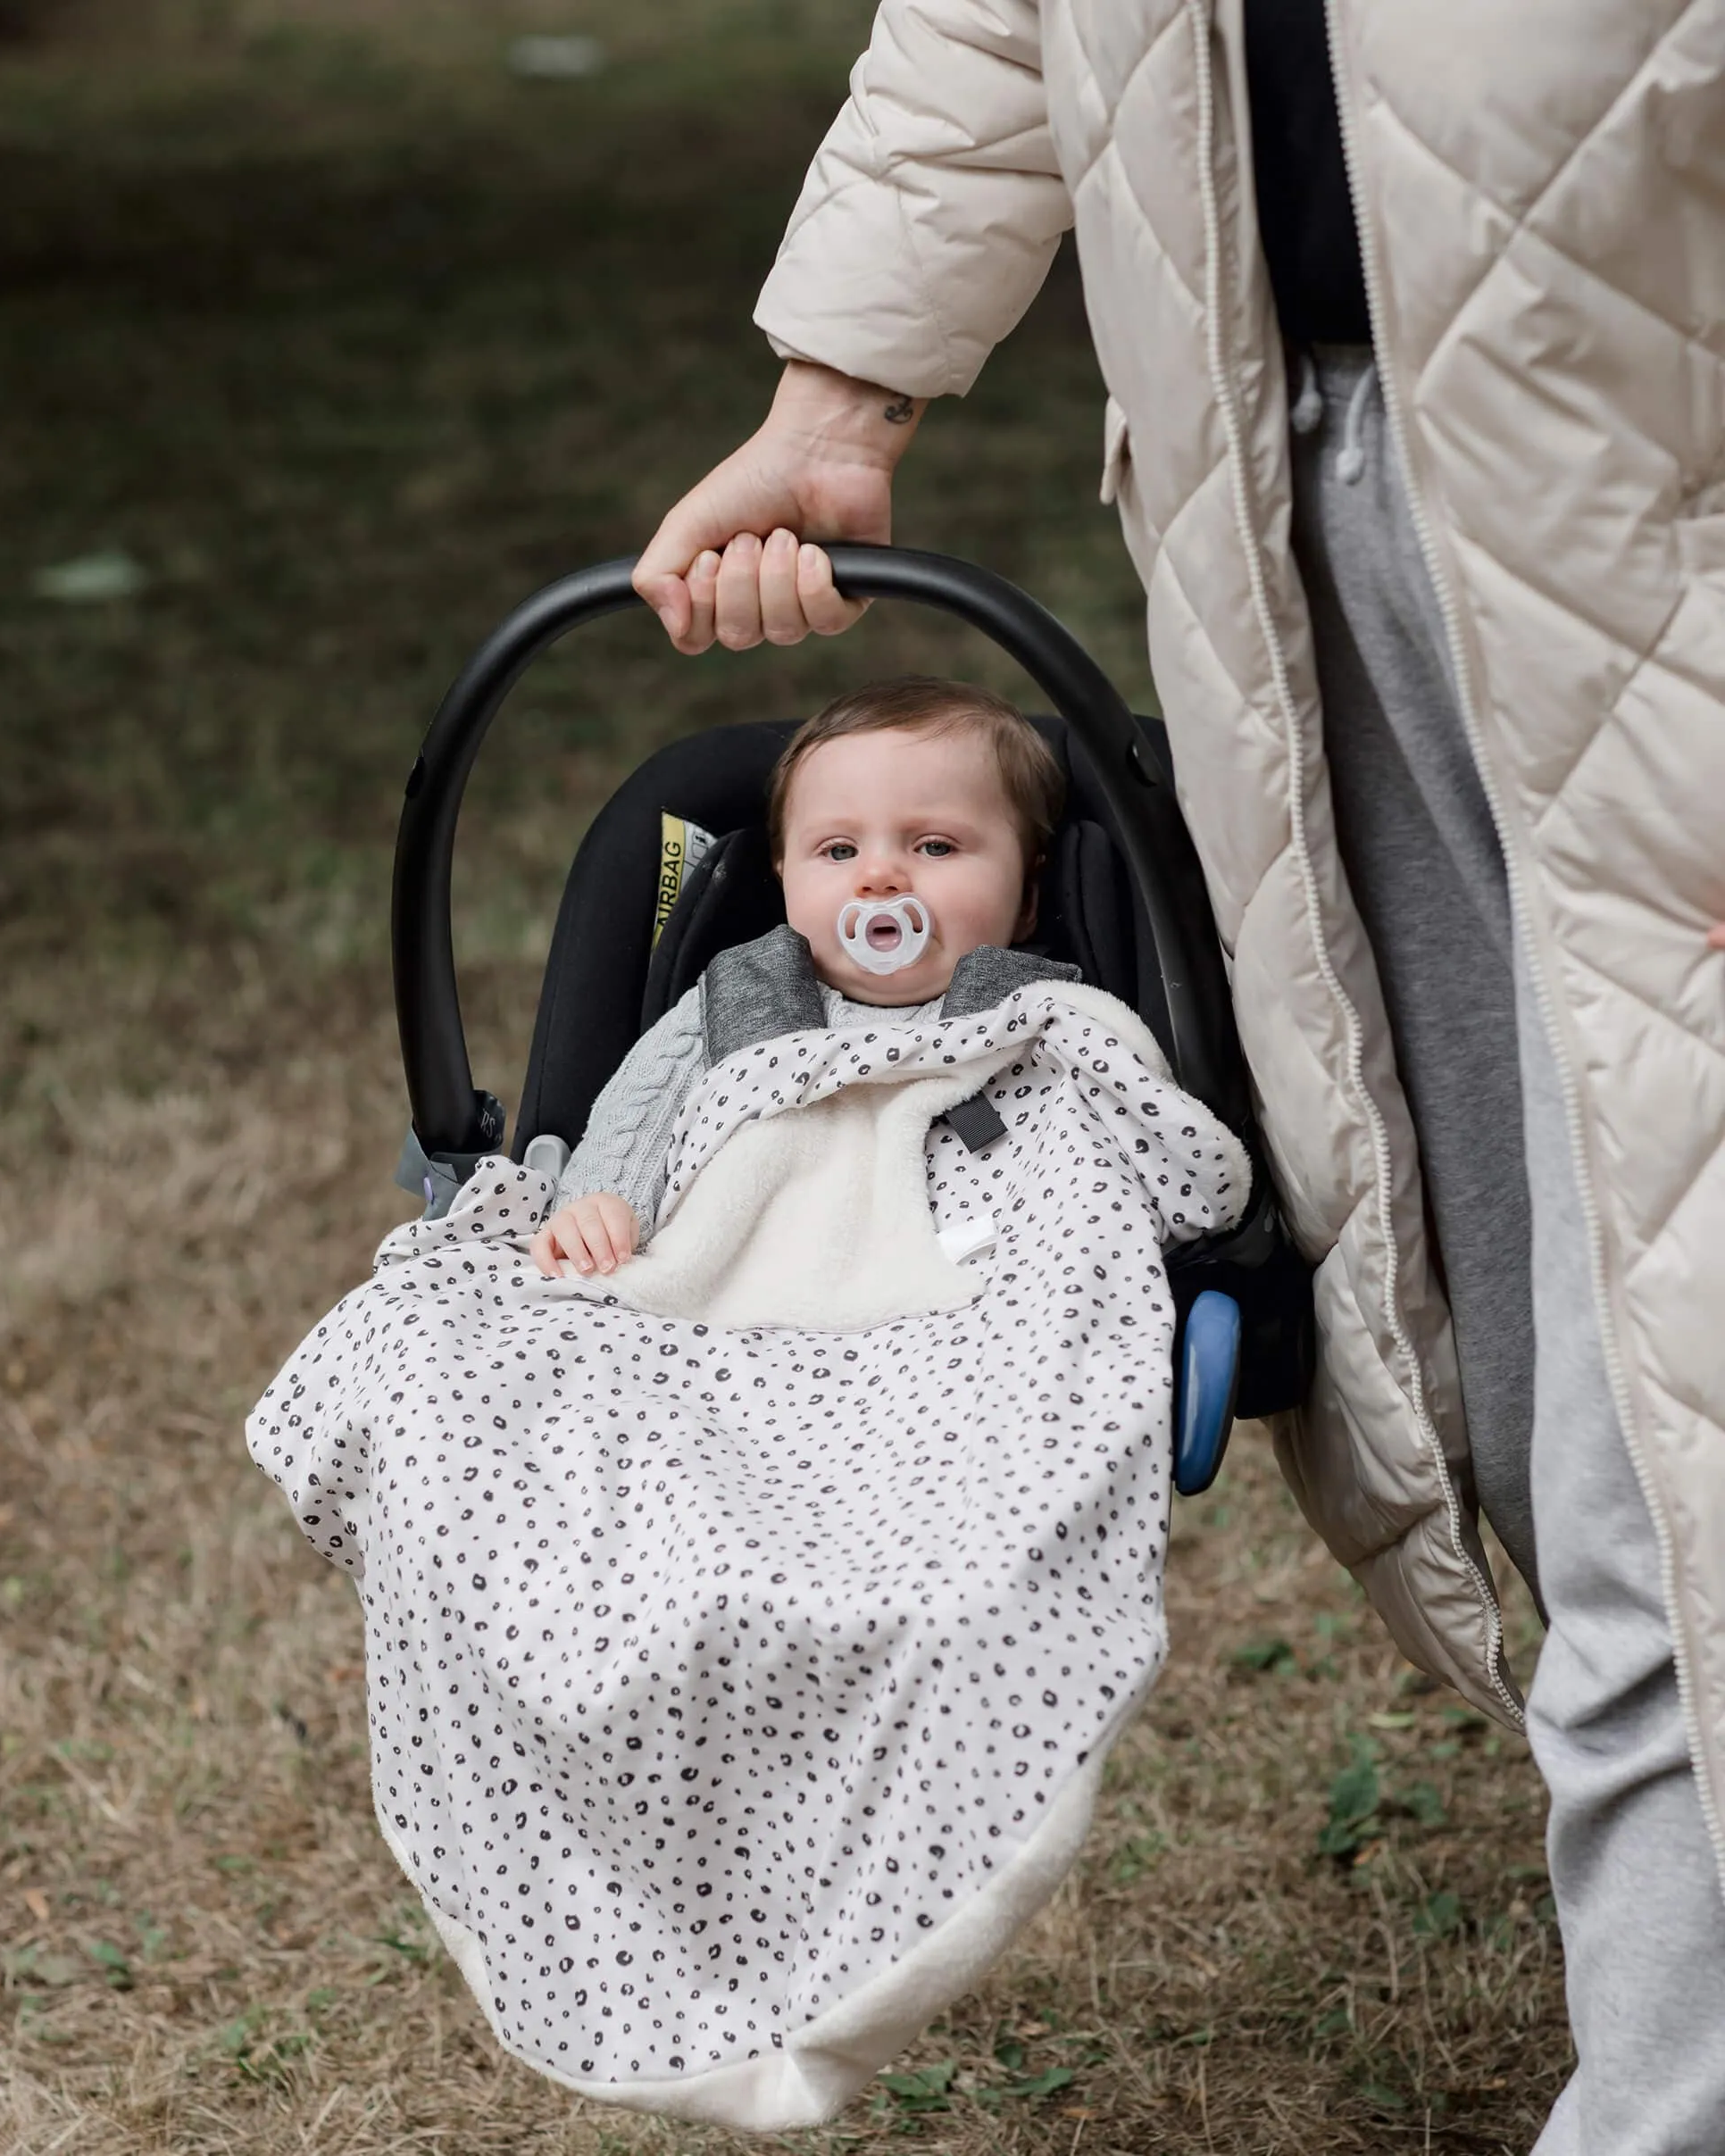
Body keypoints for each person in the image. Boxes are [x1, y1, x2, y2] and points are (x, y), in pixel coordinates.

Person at [628, 5, 1725, 2150]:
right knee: (1499, 1356)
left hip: (1650, 486)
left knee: (1661, 1416)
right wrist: (838, 393)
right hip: (1290, 502)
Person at [529, 673, 1063, 1278]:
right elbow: (638, 1122)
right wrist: (602, 1204)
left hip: (962, 1297)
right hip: (743, 1298)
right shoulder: (740, 998)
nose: (880, 876)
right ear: (784, 878)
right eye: (839, 851)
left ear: (1026, 897)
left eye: (935, 847)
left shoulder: (1042, 1018)